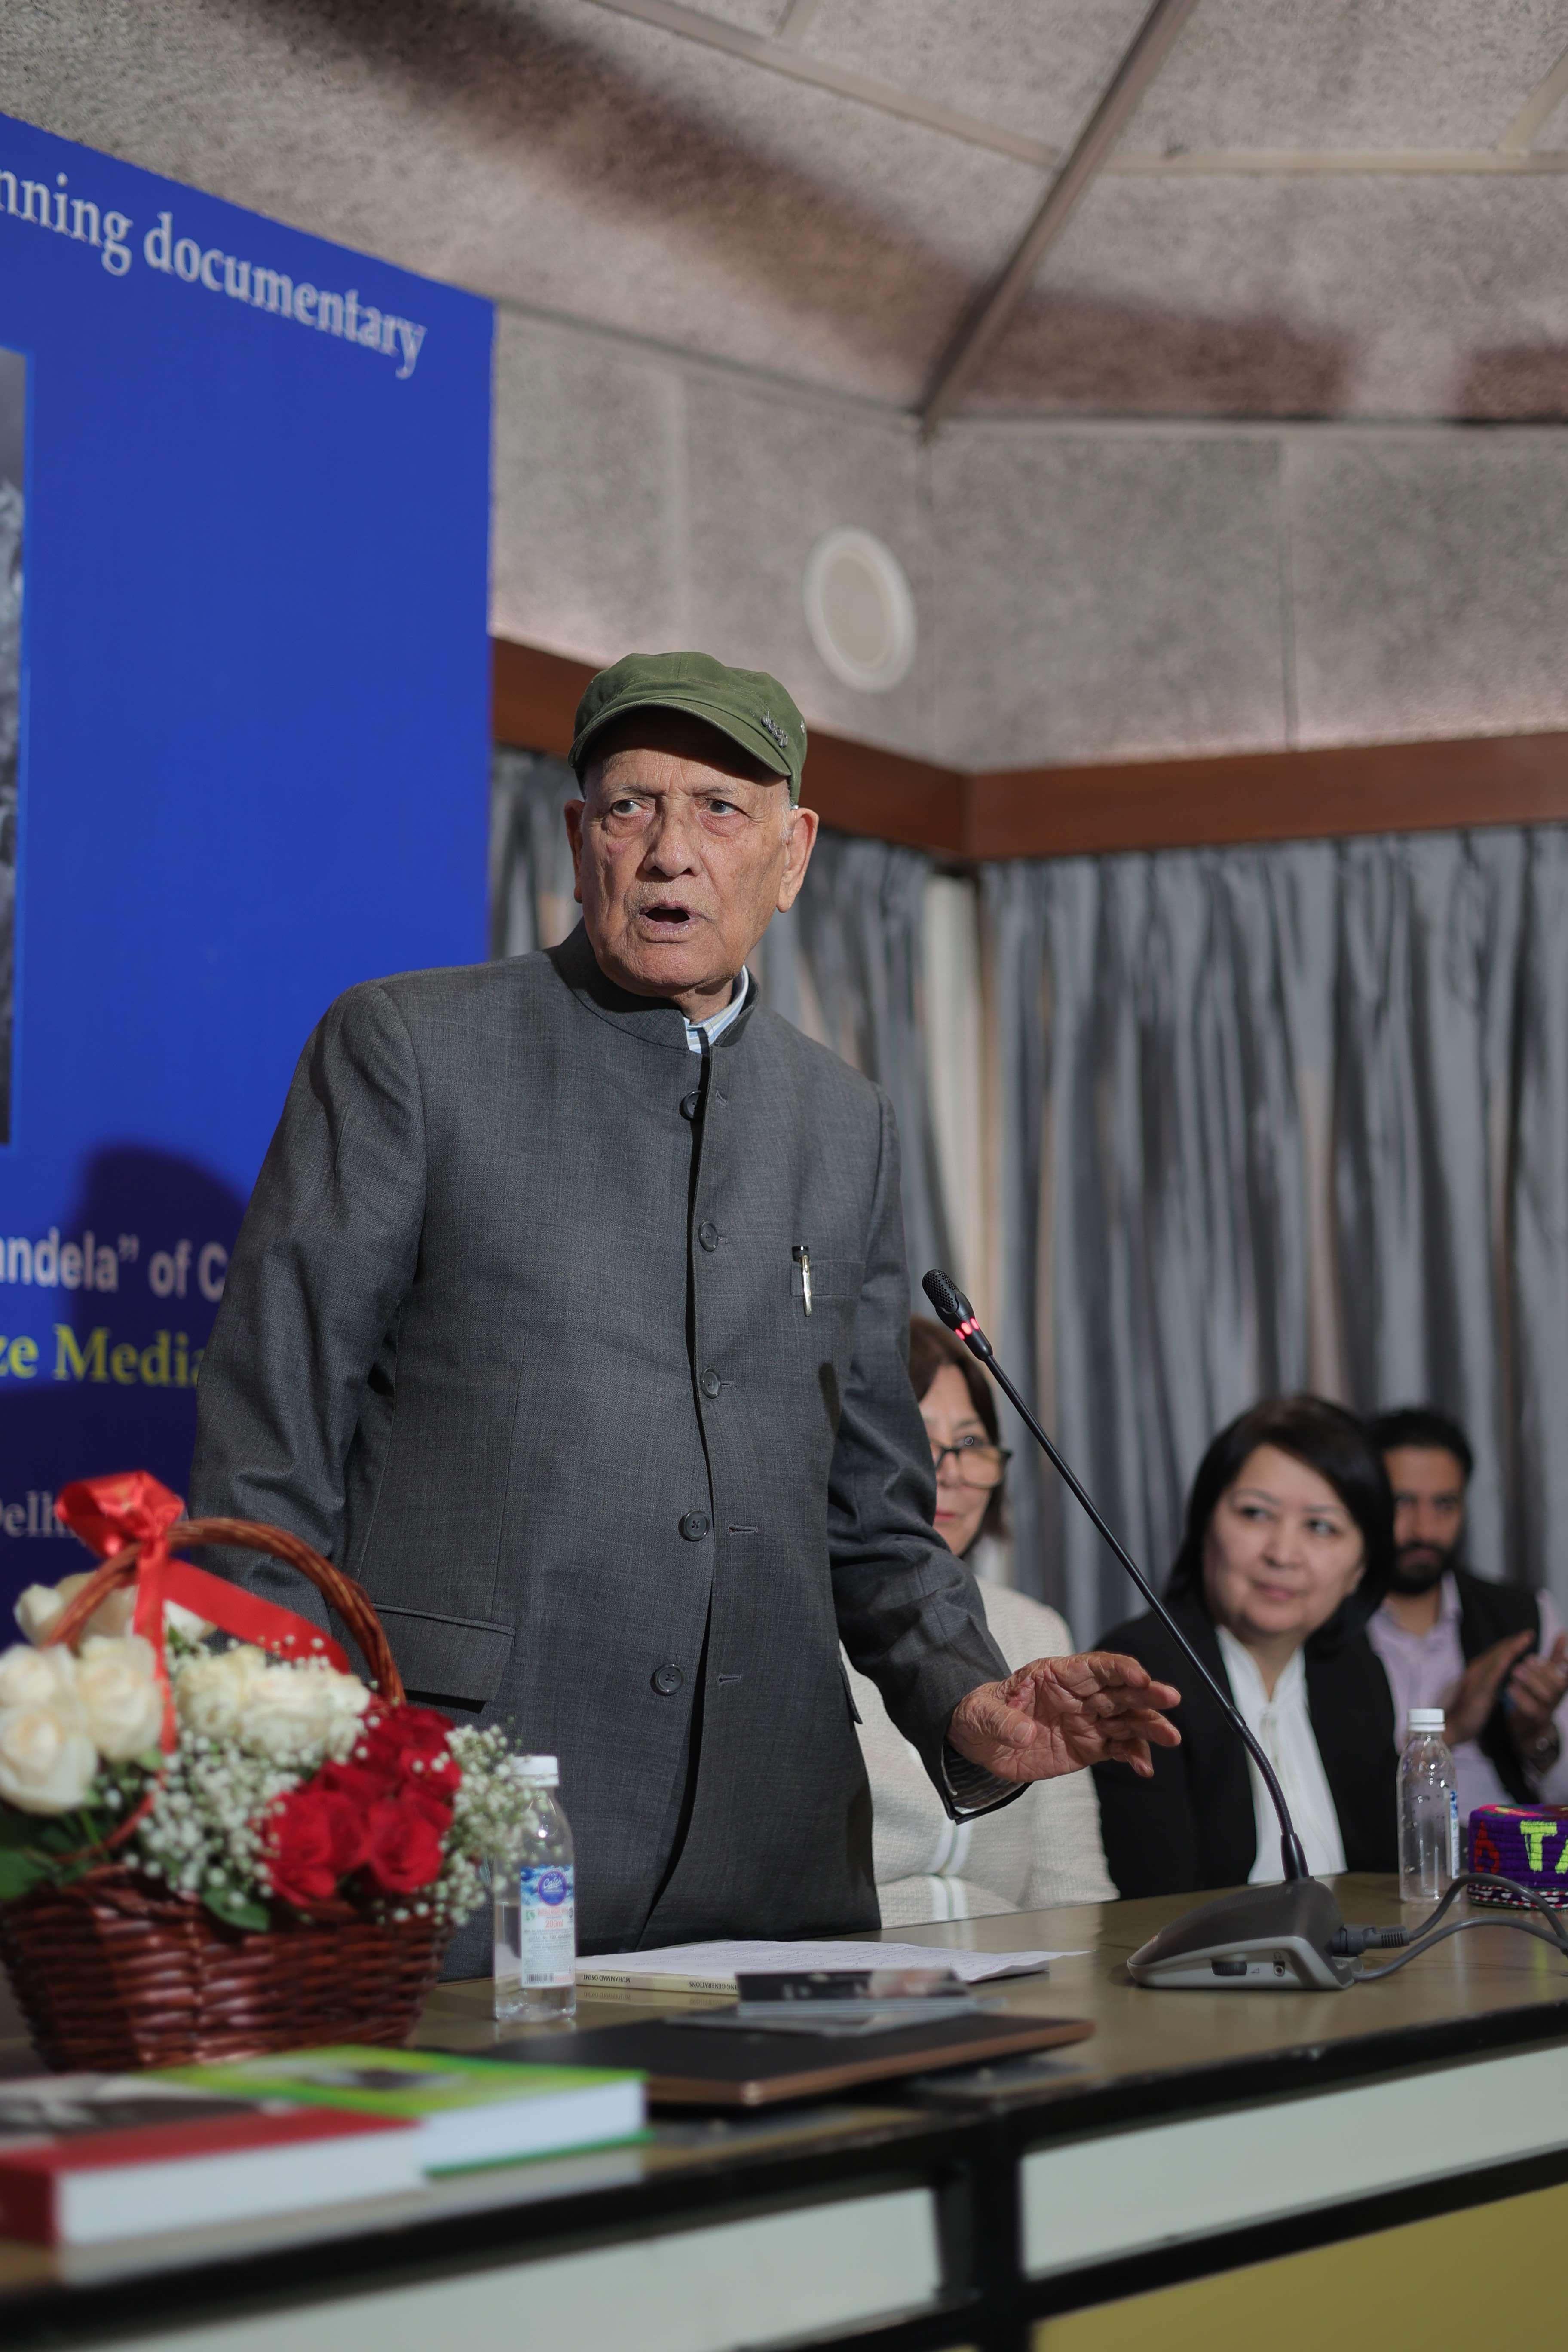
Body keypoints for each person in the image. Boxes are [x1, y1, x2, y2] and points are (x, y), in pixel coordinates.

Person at [189, 649, 1179, 1971]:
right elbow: (268, 1455)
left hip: (773, 1847)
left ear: (792, 853)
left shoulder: (846, 1125)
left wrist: (968, 1698)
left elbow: (875, 1513)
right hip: (462, 1820)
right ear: (577, 840)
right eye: (630, 807)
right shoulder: (409, 1051)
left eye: (718, 808)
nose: (670, 851)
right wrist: (293, 1766)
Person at [846, 1319, 1115, 1924]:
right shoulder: (794, 1626)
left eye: (971, 1443)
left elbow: (1072, 1888)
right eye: (914, 1439)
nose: (950, 1472)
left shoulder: (1036, 1630)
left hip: (1015, 1969)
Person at [1092, 1396, 1398, 1898]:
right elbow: (1155, 1907)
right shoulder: (1142, 1675)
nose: (1282, 1553)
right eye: (1256, 1514)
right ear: (1205, 1525)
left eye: (1321, 1527)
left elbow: (1390, 1881)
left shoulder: (1354, 1673)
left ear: (1360, 1569)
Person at [1367, 1406, 1568, 1818]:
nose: (1424, 1530)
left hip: (1508, 1850)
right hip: (1382, 1854)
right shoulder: (1324, 1624)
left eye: (1444, 1505)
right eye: (1402, 1503)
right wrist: (1452, 1727)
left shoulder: (1524, 1615)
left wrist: (1537, 1735)